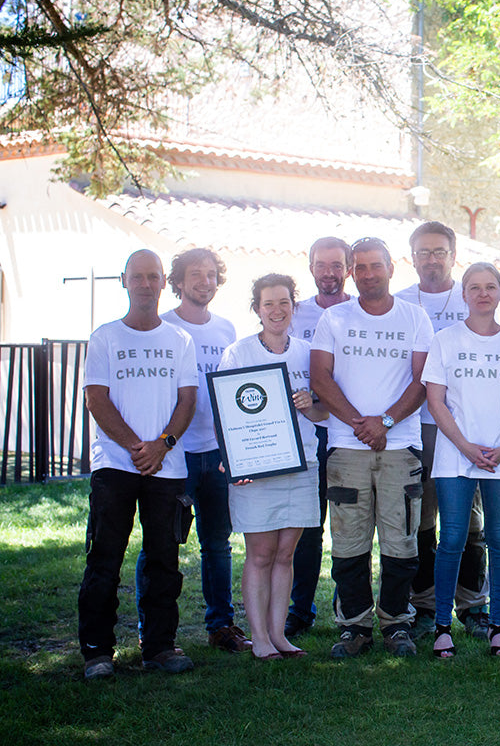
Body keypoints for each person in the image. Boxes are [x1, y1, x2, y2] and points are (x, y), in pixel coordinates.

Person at [310, 236, 433, 658]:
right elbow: (321, 378)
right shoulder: (333, 319)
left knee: (401, 542)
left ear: (390, 268)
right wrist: (360, 425)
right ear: (351, 273)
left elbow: (422, 380)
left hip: (401, 447)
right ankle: (354, 627)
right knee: (348, 543)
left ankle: (397, 624)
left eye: (374, 265)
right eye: (358, 267)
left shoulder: (414, 316)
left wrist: (385, 422)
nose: (366, 274)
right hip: (347, 449)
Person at [79, 250, 198, 679]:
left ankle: (160, 646)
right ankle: (97, 651)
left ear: (164, 282)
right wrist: (136, 447)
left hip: (167, 468)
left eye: (153, 277)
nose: (146, 284)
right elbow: (96, 399)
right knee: (104, 558)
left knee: (164, 560)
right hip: (115, 466)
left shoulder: (180, 340)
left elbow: (188, 400)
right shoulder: (105, 338)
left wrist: (161, 445)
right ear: (124, 281)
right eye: (138, 277)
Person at [423, 262, 500, 658]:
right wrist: (466, 446)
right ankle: (442, 627)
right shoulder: (445, 340)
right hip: (456, 456)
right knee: (452, 538)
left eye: (490, 287)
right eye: (475, 287)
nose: (483, 294)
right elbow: (435, 401)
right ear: (464, 294)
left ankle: (497, 627)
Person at [138, 248, 246, 653]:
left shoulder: (227, 330)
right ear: (178, 282)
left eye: (212, 274)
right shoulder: (162, 327)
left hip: (216, 453)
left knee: (218, 544)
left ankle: (221, 626)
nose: (205, 281)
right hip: (174, 455)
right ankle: (151, 629)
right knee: (160, 543)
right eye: (195, 274)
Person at [218, 274, 326, 660]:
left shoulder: (309, 354)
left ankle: (279, 635)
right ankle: (259, 638)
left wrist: (310, 405)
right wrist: (234, 459)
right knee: (261, 554)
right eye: (268, 304)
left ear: (294, 307)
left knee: (285, 555)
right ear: (257, 309)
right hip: (256, 468)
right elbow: (225, 411)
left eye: (284, 303)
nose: (277, 311)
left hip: (301, 464)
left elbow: (325, 412)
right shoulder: (239, 353)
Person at [395, 222, 489, 641]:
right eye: (423, 252)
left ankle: (473, 605)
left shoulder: (470, 299)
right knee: (422, 519)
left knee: (469, 520)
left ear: (453, 256)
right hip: (417, 427)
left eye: (439, 252)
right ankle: (425, 605)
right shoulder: (399, 303)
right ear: (412, 257)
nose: (431, 259)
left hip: (465, 429)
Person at [285, 236, 353, 637]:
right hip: (304, 434)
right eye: (322, 265)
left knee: (350, 527)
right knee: (307, 527)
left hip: (348, 434)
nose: (329, 272)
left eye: (336, 265)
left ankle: (348, 608)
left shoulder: (360, 312)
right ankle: (300, 609)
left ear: (348, 269)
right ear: (310, 267)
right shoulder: (294, 314)